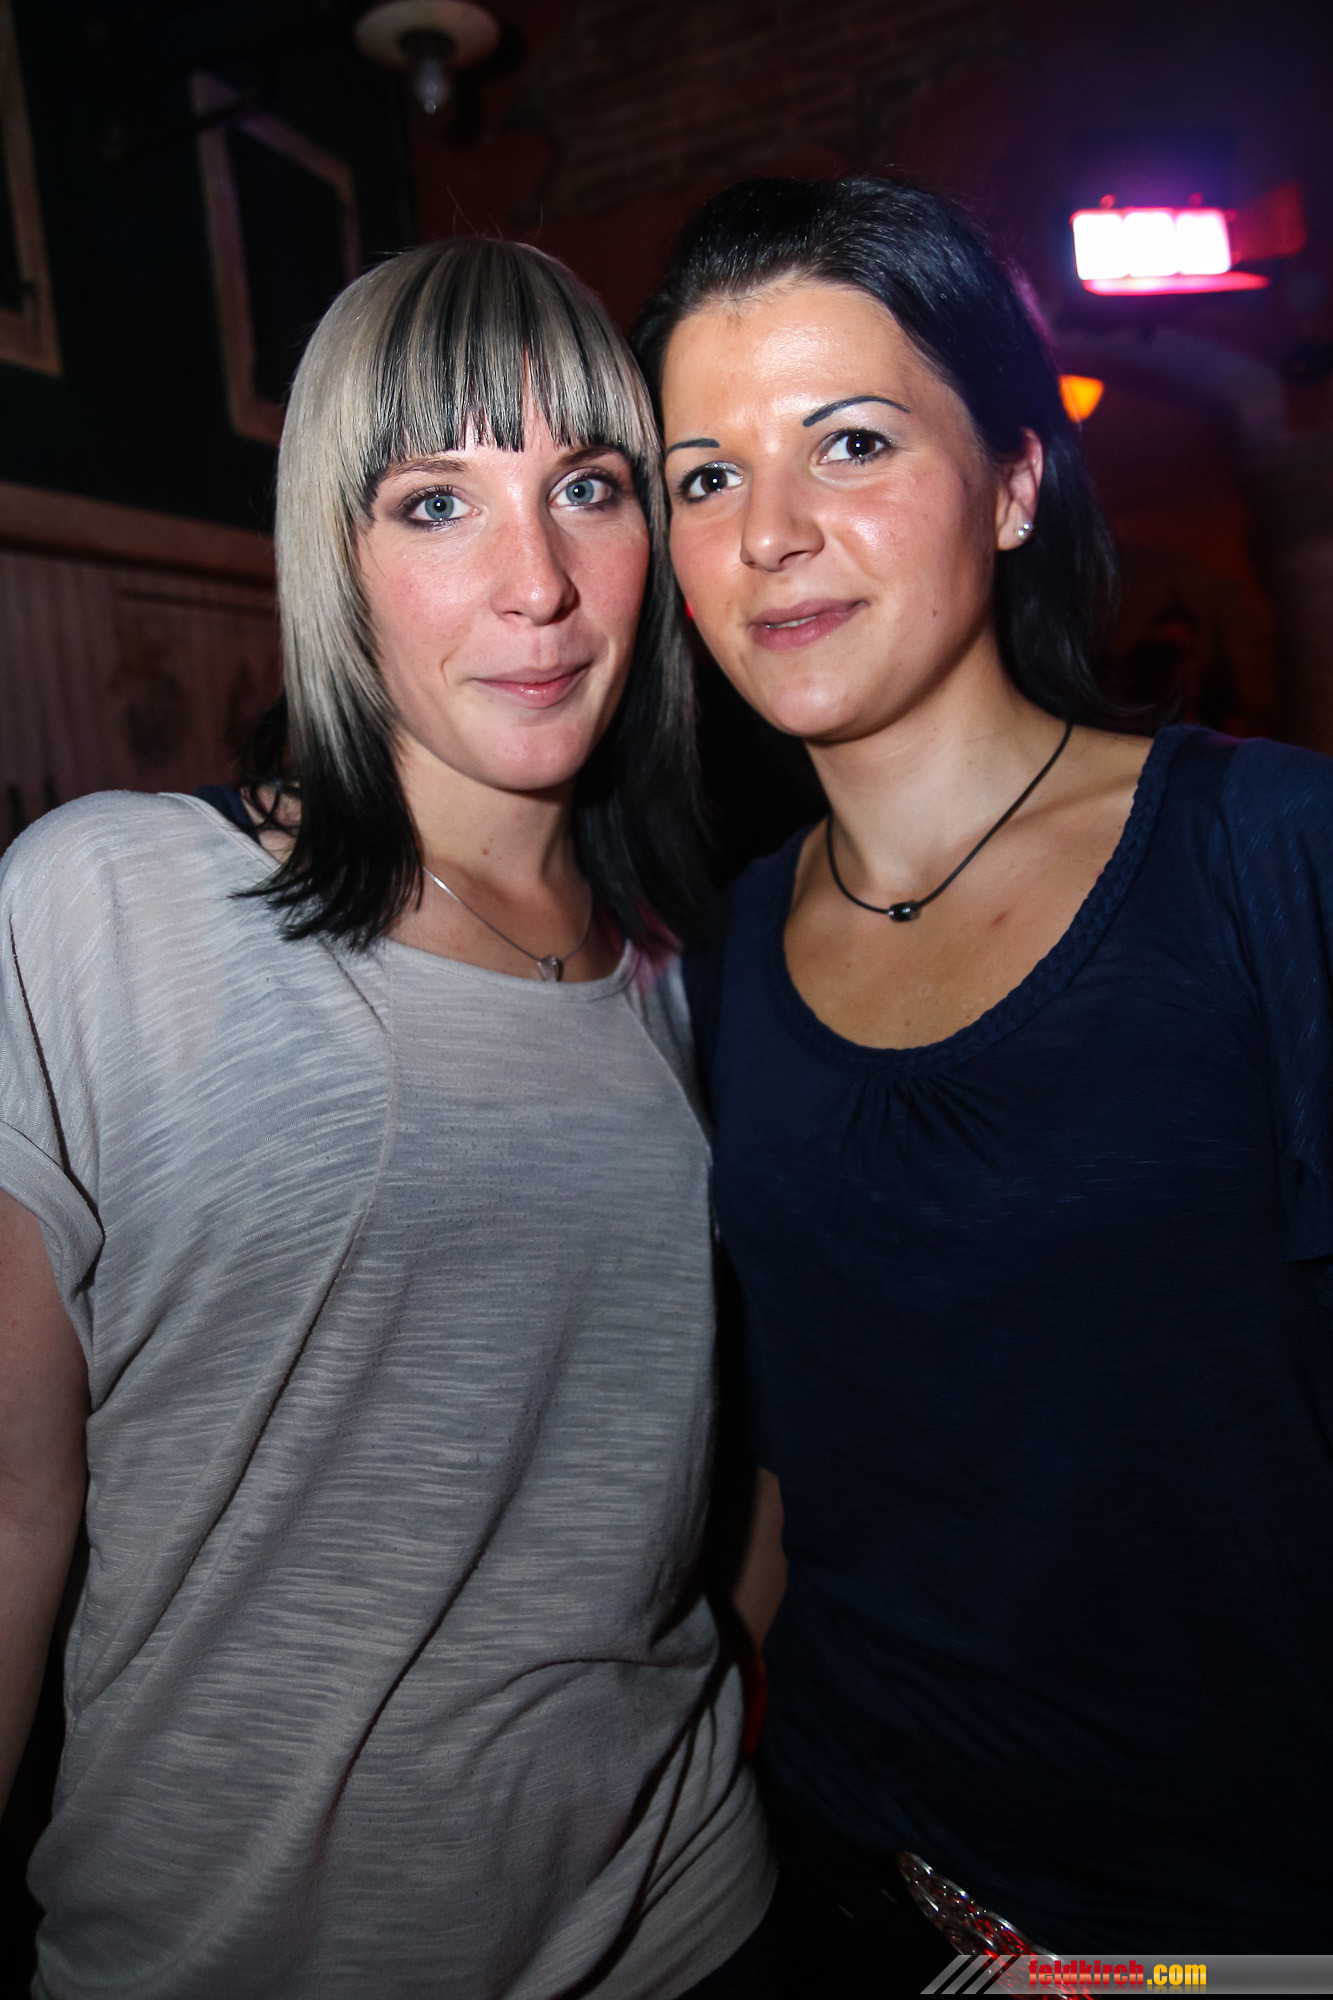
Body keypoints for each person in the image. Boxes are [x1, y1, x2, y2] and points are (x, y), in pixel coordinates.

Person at [0, 237, 775, 1999]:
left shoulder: (692, 969)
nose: (536, 583)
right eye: (436, 503)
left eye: (589, 488)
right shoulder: (108, 907)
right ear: (332, 556)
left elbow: (728, 1445)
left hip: (680, 1929)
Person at [631, 175, 1333, 1986]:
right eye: (703, 477)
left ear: (1016, 481)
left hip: (1231, 1943)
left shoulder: (1270, 858)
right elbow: (784, 1459)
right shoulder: (707, 961)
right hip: (838, 1895)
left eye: (850, 444)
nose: (769, 533)